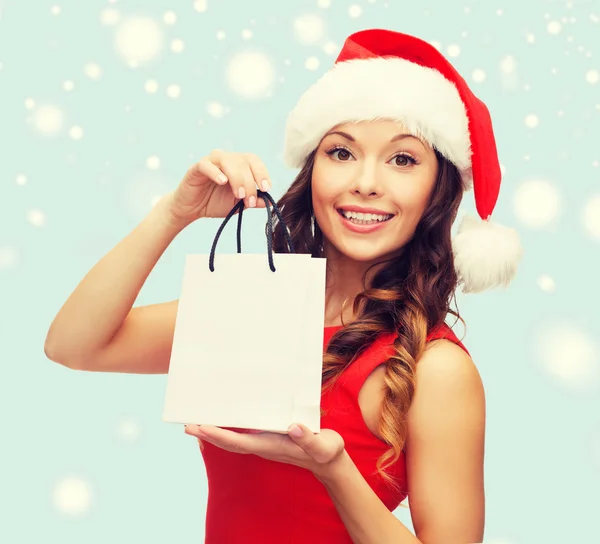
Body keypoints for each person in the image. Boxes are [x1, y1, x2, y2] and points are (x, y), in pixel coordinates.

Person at [44, 29, 522, 544]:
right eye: (341, 152)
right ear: (312, 169)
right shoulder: (251, 309)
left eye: (402, 159)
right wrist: (173, 215)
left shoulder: (435, 366)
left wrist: (334, 470)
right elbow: (73, 345)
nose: (365, 181)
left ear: (437, 191)